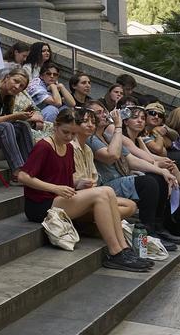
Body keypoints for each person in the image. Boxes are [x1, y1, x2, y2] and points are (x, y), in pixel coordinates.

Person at [16, 113, 152, 272]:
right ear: (55, 127)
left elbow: (62, 177)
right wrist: (55, 188)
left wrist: (79, 183)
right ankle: (115, 252)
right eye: (65, 132)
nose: (69, 137)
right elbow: (23, 176)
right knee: (102, 194)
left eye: (73, 133)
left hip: (59, 198)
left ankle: (124, 249)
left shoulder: (67, 147)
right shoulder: (44, 146)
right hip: (40, 205)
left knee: (108, 192)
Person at [86, 101, 180, 249]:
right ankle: (148, 231)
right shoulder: (90, 138)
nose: (104, 114)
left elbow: (131, 160)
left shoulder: (107, 136)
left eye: (103, 111)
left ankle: (158, 227)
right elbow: (110, 156)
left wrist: (161, 171)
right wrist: (118, 126)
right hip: (105, 184)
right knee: (148, 183)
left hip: (119, 179)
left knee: (158, 178)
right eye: (98, 113)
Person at [69, 107, 137, 221]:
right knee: (110, 196)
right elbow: (112, 156)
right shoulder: (71, 146)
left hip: (89, 193)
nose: (90, 125)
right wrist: (118, 126)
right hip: (74, 195)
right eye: (85, 121)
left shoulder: (88, 149)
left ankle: (98, 226)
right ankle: (96, 226)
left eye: (93, 122)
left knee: (130, 206)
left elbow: (94, 177)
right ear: (75, 124)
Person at [0, 69, 38, 170]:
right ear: (7, 78)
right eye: (16, 81)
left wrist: (23, 117)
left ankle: (31, 169)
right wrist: (14, 116)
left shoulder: (8, 97)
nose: (17, 87)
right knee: (6, 127)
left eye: (21, 86)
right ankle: (17, 171)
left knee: (22, 126)